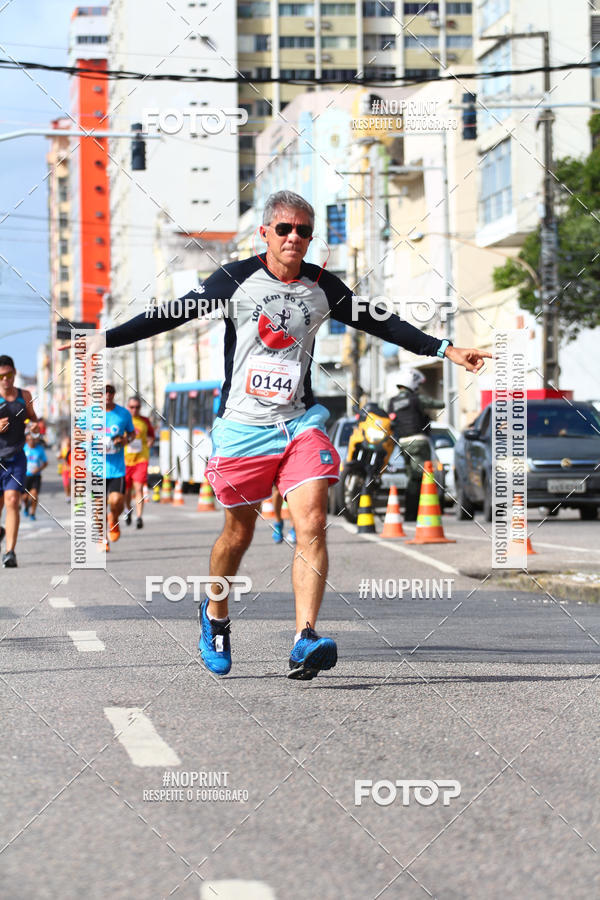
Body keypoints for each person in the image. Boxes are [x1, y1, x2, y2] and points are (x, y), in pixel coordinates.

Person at [96, 190, 489, 678]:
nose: (294, 238)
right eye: (285, 229)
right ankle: (214, 617)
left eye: (303, 230)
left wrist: (445, 348)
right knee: (237, 534)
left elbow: (382, 322)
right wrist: (100, 339)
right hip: (241, 428)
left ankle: (305, 636)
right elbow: (168, 315)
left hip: (300, 423)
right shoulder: (234, 279)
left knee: (311, 521)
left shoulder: (323, 286)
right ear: (265, 233)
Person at [388, 367, 445, 521]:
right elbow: (440, 404)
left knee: (411, 476)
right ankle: (416, 513)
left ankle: (412, 512)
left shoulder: (392, 402)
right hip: (419, 442)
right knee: (419, 477)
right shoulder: (417, 399)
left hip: (403, 444)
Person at [0, 354, 39, 567]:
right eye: (2, 376)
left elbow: (34, 419)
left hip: (16, 457)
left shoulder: (25, 395)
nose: (6, 380)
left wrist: (34, 426)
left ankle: (10, 552)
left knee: (12, 501)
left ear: (15, 373)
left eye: (9, 375)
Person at [103, 384, 135, 550]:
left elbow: (132, 434)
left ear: (114, 394)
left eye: (110, 392)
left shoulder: (123, 414)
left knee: (116, 501)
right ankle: (102, 540)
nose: (107, 395)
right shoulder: (89, 414)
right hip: (96, 467)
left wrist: (125, 441)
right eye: (104, 392)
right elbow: (79, 432)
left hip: (116, 468)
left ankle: (113, 519)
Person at [124, 395, 155, 530]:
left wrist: (149, 442)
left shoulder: (145, 421)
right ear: (127, 407)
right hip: (125, 461)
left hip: (141, 460)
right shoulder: (123, 420)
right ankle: (128, 510)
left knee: (138, 489)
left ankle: (139, 517)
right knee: (126, 491)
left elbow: (151, 436)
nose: (134, 410)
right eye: (132, 407)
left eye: (137, 407)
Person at [23, 429, 48, 520]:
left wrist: (38, 469)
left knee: (34, 495)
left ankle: (32, 513)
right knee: (25, 497)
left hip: (36, 476)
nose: (31, 442)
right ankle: (26, 507)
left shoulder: (39, 449)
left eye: (33, 440)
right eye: (29, 440)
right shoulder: (23, 448)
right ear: (27, 440)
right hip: (25, 476)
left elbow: (45, 463)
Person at [57, 434, 72, 503]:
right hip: (65, 469)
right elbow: (60, 457)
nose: (67, 442)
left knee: (71, 484)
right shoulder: (64, 449)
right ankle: (67, 496)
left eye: (68, 441)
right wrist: (59, 456)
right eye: (66, 441)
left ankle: (71, 495)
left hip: (72, 469)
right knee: (66, 484)